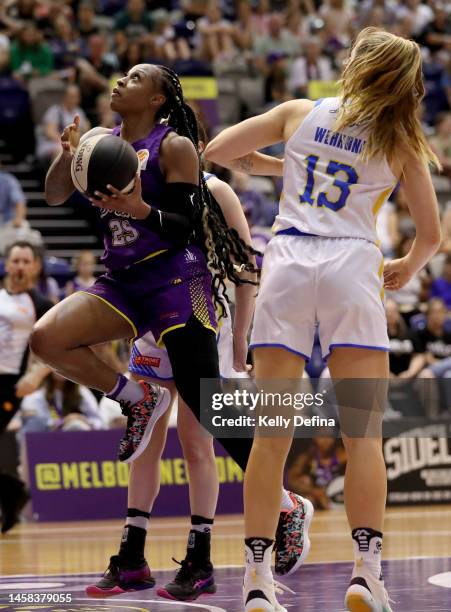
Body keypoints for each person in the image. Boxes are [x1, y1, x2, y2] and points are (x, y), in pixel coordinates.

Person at [31, 65, 309, 581]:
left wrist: (139, 208)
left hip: (179, 284)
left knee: (205, 412)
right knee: (46, 338)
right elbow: (52, 196)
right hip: (123, 282)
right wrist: (68, 158)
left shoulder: (175, 147)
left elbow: (182, 230)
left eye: (133, 78)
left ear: (157, 98)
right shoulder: (98, 144)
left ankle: (288, 505)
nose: (119, 82)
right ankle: (136, 400)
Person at [206, 27, 442, 612]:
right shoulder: (401, 141)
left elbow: (216, 153)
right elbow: (432, 235)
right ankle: (365, 574)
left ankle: (258, 580)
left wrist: (274, 167)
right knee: (363, 437)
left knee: (270, 438)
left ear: (356, 64)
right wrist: (408, 266)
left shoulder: (301, 112)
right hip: (350, 268)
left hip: (287, 263)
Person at [86, 117, 313, 600]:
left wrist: (240, 341)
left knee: (196, 442)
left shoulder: (217, 191)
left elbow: (245, 268)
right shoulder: (139, 179)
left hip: (206, 320)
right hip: (154, 320)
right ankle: (132, 556)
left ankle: (209, 552)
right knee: (147, 437)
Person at [0, 240, 53, 533]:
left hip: (9, 385)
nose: (19, 266)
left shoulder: (40, 304)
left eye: (25, 261)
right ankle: (12, 493)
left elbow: (59, 349)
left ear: (34, 267)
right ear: (7, 264)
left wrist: (36, 375)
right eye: (15, 260)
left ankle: (12, 492)